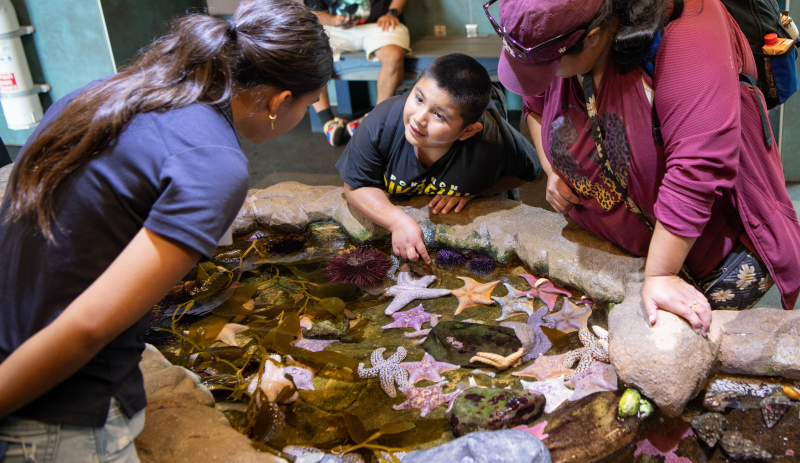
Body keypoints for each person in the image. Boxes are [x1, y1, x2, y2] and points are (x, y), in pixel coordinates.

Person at [0, 0, 332, 461]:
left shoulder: (106, 94)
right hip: (58, 407)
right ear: (279, 102)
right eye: (310, 103)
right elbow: (87, 327)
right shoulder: (214, 162)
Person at [491, 0, 800, 333]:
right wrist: (554, 170)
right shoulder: (552, 38)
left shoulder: (689, 27)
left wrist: (661, 274)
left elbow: (697, 167)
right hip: (618, 244)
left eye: (549, 68)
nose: (546, 78)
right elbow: (535, 105)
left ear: (593, 36)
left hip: (708, 254)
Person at [336, 53, 542, 264]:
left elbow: (530, 171)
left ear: (467, 131)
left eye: (439, 115)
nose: (419, 118)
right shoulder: (382, 123)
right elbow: (355, 185)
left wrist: (478, 191)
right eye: (418, 99)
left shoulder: (493, 141)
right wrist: (396, 221)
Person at [306, 0, 410, 146]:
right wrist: (334, 20)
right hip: (336, 29)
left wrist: (392, 13)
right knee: (309, 51)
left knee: (394, 56)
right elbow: (317, 14)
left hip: (380, 24)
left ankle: (376, 121)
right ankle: (328, 122)